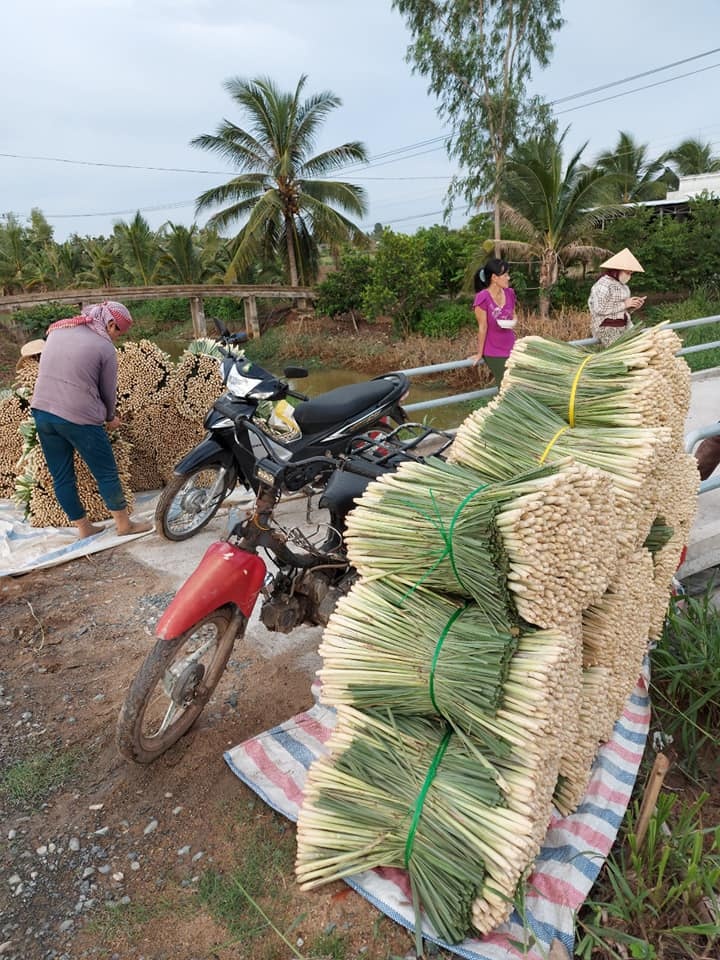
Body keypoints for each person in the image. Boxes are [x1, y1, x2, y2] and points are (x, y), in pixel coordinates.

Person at [30, 301, 151, 539]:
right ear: (111, 323)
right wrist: (110, 417)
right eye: (118, 333)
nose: (116, 338)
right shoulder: (104, 347)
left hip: (42, 412)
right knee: (106, 473)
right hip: (79, 417)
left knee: (61, 476)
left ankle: (84, 528)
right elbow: (108, 391)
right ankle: (124, 525)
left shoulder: (58, 330)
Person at [472, 257, 518, 387]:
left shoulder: (510, 293)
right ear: (494, 277)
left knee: (517, 385)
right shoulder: (483, 297)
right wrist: (479, 353)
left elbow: (514, 314)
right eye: (505, 275)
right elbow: (482, 327)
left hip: (512, 348)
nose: (508, 278)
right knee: (506, 386)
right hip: (494, 351)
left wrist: (514, 321)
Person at [588, 248, 646, 348]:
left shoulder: (624, 287)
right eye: (627, 273)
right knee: (624, 351)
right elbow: (599, 308)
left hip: (624, 326)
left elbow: (621, 310)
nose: (629, 276)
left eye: (631, 274)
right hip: (606, 327)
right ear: (616, 270)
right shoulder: (603, 284)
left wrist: (633, 306)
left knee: (642, 345)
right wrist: (625, 304)